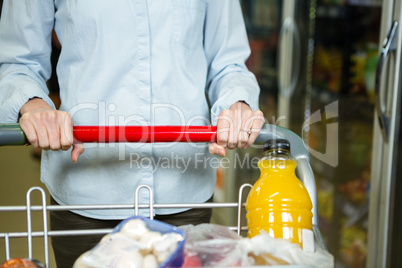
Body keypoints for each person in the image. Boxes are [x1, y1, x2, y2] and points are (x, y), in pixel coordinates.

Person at [0, 1, 264, 267]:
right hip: (86, 197)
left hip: (183, 193)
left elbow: (229, 64)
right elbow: (17, 61)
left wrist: (236, 103)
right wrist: (33, 103)